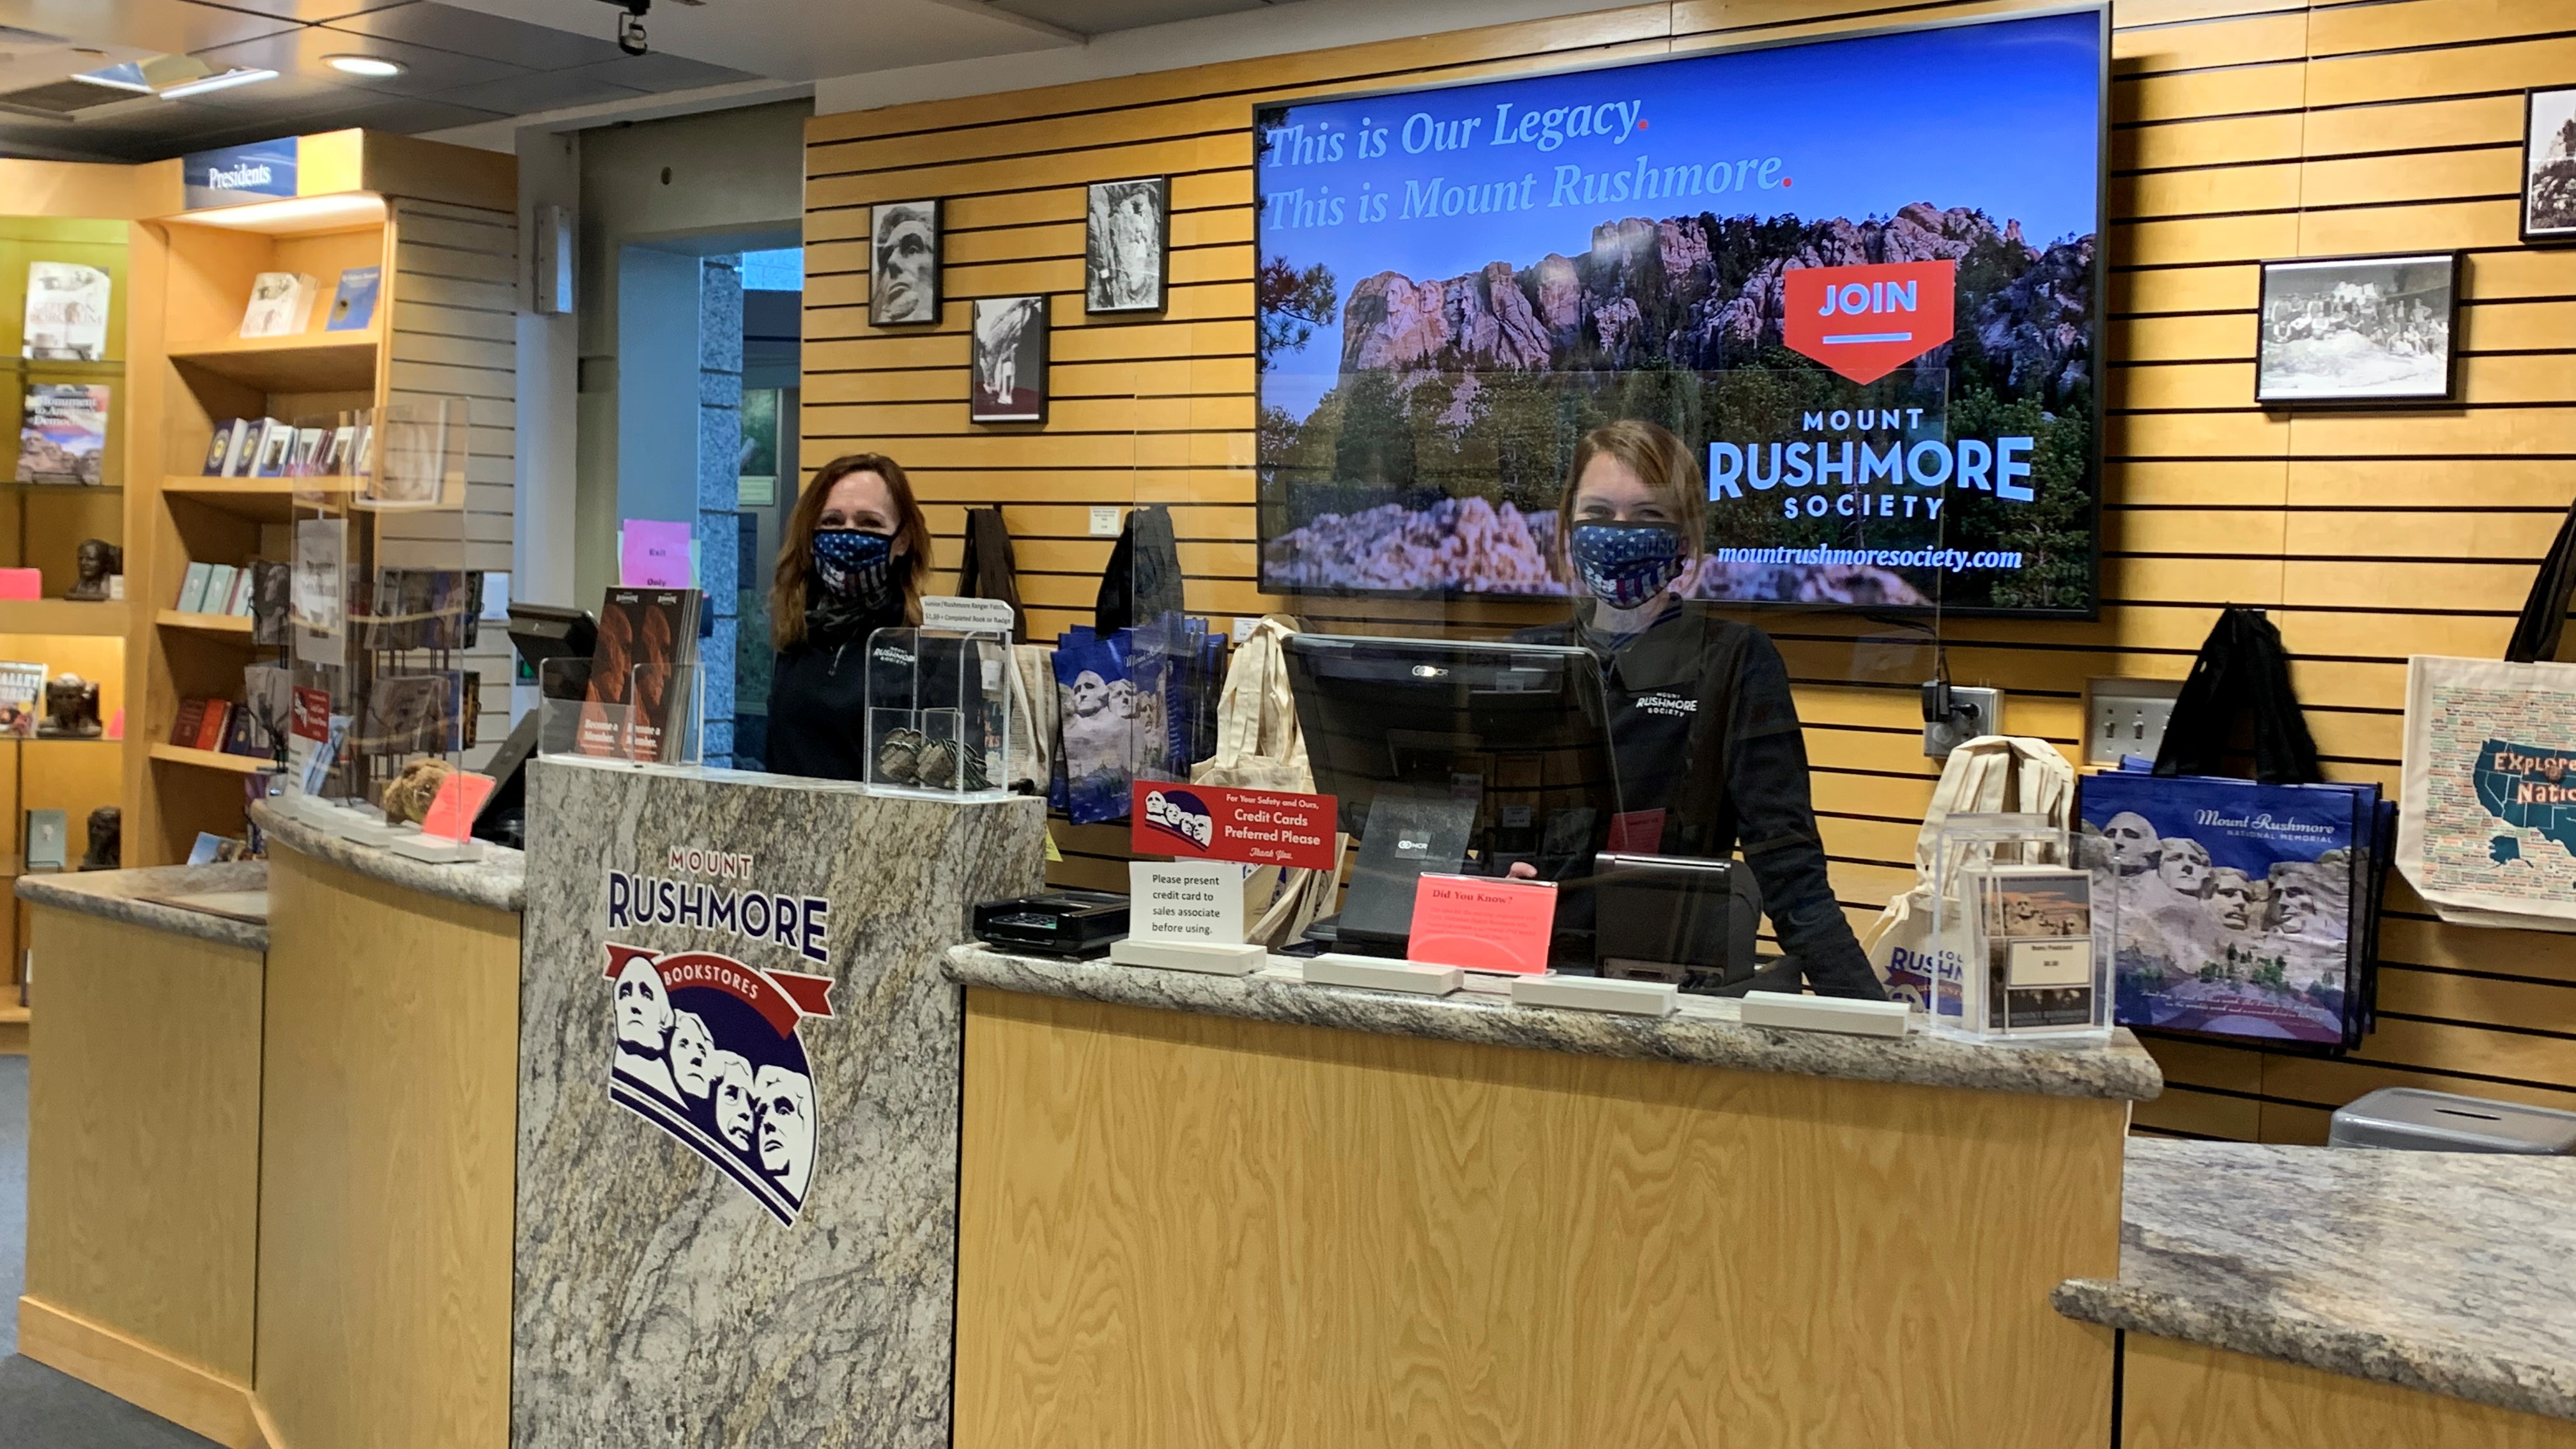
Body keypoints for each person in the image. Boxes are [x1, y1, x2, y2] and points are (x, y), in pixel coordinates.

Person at [1510, 418, 1884, 999]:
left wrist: (1875, 1026)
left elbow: (1791, 875)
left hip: (1672, 985)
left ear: (1686, 537)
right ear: (1568, 528)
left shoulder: (1734, 660)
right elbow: (1457, 839)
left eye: (1649, 516)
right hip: (1519, 975)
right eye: (1598, 514)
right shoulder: (1519, 660)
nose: (1620, 533)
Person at [765, 453, 933, 780]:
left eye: (870, 523)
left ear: (902, 540)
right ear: (810, 537)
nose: (848, 534)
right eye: (832, 521)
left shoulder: (925, 647)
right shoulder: (798, 635)